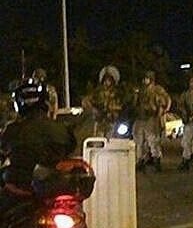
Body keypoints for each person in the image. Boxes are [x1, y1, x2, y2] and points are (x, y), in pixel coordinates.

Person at [0, 79, 76, 213]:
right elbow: (71, 148)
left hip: (21, 192)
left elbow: (4, 148)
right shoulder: (62, 128)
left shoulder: (13, 130)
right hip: (52, 194)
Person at [133, 71, 171, 173]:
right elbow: (135, 103)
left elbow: (165, 100)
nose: (145, 80)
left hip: (151, 118)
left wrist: (161, 111)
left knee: (153, 140)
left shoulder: (157, 89)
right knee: (139, 141)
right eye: (144, 78)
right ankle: (140, 160)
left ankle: (156, 160)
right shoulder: (141, 90)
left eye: (147, 78)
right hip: (140, 117)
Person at [82, 65, 123, 138]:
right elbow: (86, 101)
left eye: (109, 80)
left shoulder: (117, 93)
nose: (107, 82)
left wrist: (114, 109)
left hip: (112, 121)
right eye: (106, 80)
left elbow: (120, 105)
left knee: (112, 140)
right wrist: (93, 109)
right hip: (99, 120)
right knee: (98, 139)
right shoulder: (97, 92)